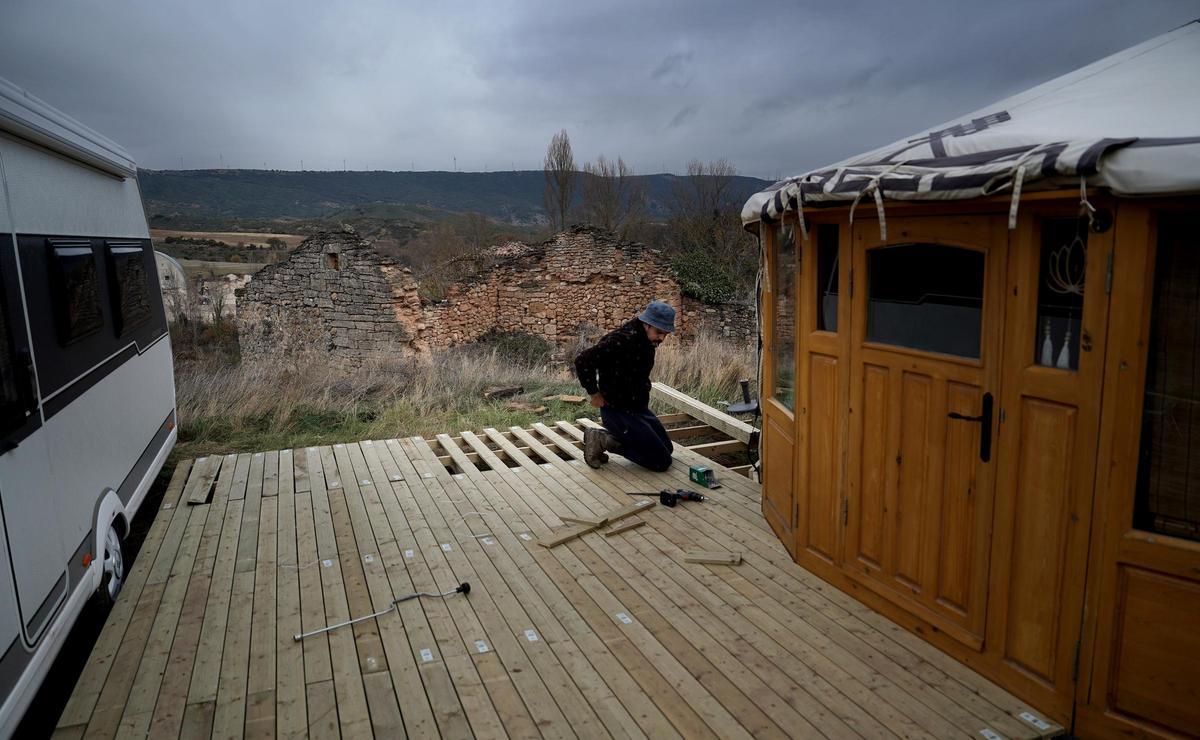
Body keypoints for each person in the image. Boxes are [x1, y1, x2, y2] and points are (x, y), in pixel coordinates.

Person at [574, 300, 675, 472]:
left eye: (665, 334)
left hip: (637, 408)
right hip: (617, 410)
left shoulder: (646, 340)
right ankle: (603, 440)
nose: (661, 338)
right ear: (647, 324)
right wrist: (594, 393)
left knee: (667, 449)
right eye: (659, 332)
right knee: (661, 461)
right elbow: (582, 361)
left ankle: (611, 437)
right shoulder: (620, 341)